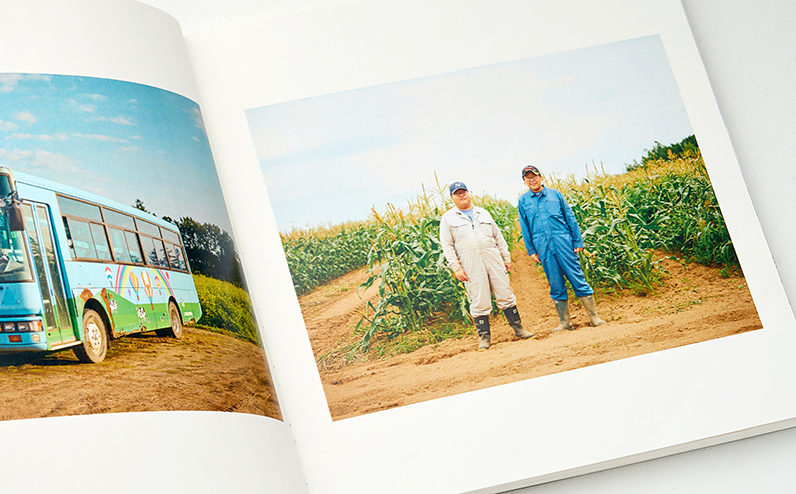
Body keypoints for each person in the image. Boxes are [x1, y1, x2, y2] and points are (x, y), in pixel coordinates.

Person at [439, 181, 533, 350]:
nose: (461, 195)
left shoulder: (483, 213)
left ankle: (519, 328)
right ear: (452, 197)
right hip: (470, 264)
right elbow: (447, 246)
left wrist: (506, 258)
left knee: (505, 293)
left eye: (464, 191)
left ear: (469, 193)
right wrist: (457, 268)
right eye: (457, 193)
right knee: (479, 299)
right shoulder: (448, 218)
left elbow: (498, 237)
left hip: (494, 260)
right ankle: (484, 337)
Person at [517, 165, 606, 331]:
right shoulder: (523, 201)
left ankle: (594, 318)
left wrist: (577, 241)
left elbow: (570, 217)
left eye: (534, 176)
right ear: (524, 181)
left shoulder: (555, 195)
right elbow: (525, 227)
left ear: (541, 177)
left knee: (577, 278)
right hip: (542, 246)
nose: (532, 180)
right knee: (555, 283)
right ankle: (565, 323)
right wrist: (531, 250)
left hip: (563, 241)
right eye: (528, 177)